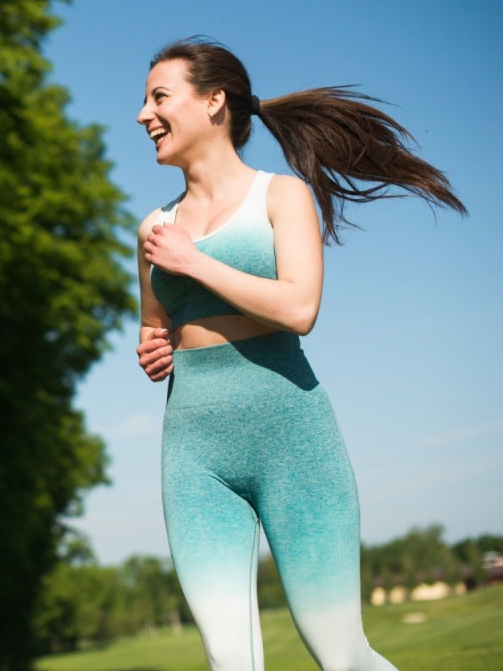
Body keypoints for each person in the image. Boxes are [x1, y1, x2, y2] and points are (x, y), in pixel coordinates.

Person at [133, 37, 464, 671]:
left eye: (159, 97)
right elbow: (154, 329)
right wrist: (154, 350)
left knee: (340, 655)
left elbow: (299, 309)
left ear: (213, 102)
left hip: (292, 439)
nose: (143, 114)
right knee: (230, 661)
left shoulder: (280, 196)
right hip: (195, 456)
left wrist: (195, 262)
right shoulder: (152, 229)